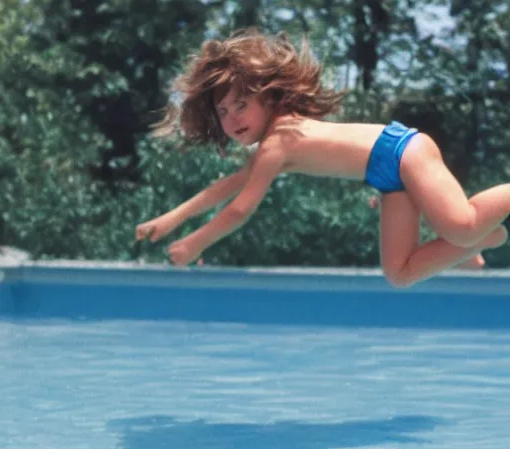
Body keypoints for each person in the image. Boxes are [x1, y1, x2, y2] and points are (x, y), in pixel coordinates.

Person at [135, 28, 510, 287]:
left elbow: (240, 208)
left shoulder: (277, 142)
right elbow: (227, 187)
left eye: (241, 106)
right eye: (224, 113)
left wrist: (196, 243)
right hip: (385, 176)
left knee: (460, 224)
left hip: (401, 152)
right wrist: (171, 220)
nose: (232, 120)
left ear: (269, 99)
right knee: (400, 272)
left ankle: (472, 237)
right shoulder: (273, 145)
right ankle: (486, 240)